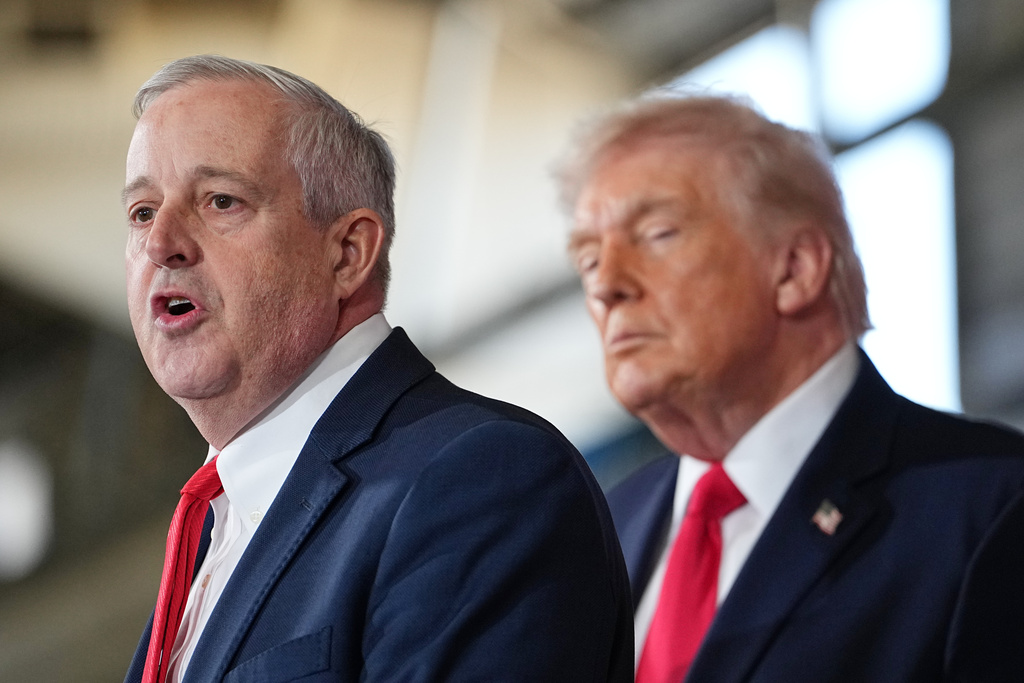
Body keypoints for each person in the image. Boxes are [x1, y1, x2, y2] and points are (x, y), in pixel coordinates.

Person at [121, 54, 632, 683]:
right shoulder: (216, 533)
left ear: (347, 252)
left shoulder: (481, 479)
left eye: (221, 201)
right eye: (142, 211)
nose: (160, 241)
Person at [557, 92, 1024, 682]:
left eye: (656, 233)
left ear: (796, 268)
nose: (606, 286)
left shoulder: (994, 509)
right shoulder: (594, 531)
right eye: (589, 260)